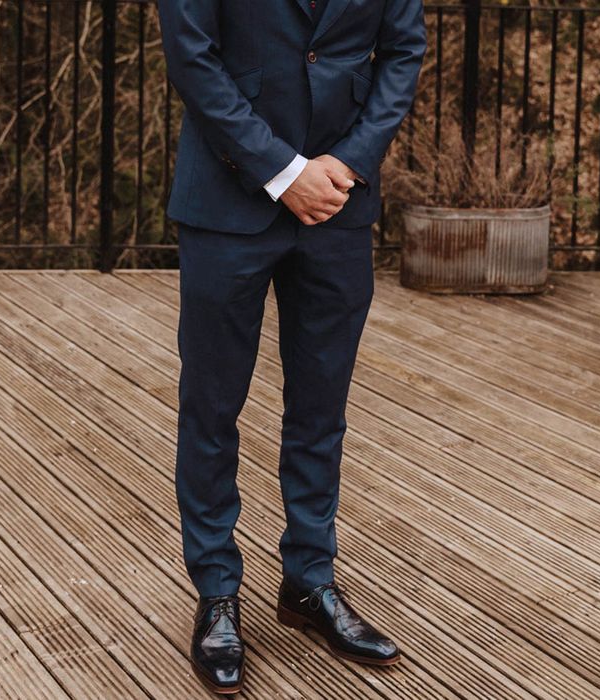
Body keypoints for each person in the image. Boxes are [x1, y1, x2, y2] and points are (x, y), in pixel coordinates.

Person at [157, 0, 426, 692]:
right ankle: (217, 590)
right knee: (212, 409)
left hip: (340, 204)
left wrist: (351, 160)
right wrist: (282, 171)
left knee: (321, 409)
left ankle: (309, 583)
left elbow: (402, 51)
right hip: (227, 199)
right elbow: (193, 57)